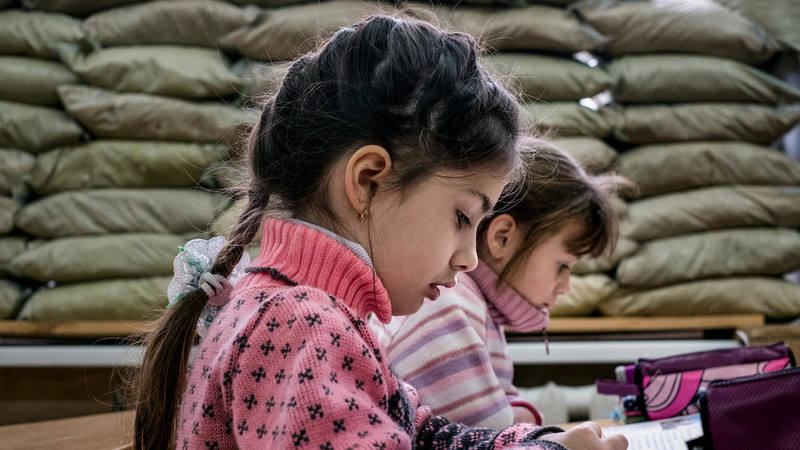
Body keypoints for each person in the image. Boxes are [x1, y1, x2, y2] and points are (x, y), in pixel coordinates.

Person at [132, 13, 628, 450]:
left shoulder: (312, 311)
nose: (470, 259)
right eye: (462, 218)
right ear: (368, 180)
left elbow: (427, 436)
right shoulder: (301, 323)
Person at [376, 142, 627, 429]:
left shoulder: (475, 306)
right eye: (562, 266)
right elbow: (490, 439)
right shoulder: (450, 304)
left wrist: (516, 414)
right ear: (502, 238)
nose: (566, 287)